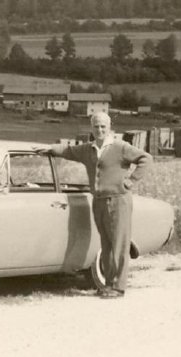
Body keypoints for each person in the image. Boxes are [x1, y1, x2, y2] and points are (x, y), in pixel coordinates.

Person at [36, 112, 152, 298]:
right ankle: (108, 285)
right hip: (98, 201)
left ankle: (118, 287)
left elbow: (146, 158)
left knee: (119, 244)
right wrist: (49, 148)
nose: (99, 130)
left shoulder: (120, 147)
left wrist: (131, 180)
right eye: (96, 126)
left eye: (103, 126)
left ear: (109, 127)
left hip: (118, 200)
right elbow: (68, 151)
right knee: (106, 244)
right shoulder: (88, 149)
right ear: (92, 128)